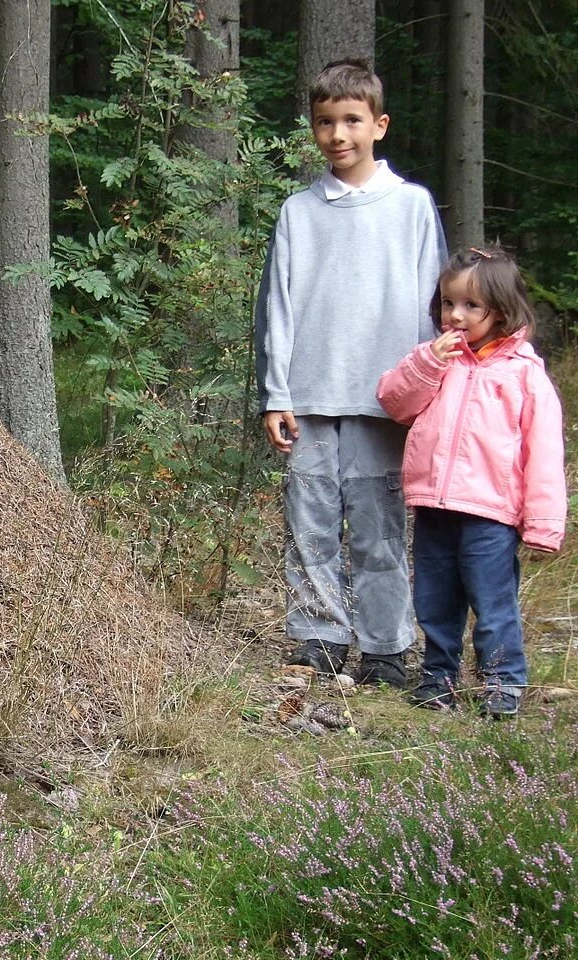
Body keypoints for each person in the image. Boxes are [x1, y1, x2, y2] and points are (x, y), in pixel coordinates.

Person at [255, 59, 446, 685]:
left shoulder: (412, 207)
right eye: (325, 123)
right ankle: (318, 638)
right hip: (309, 397)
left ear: (379, 125)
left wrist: (424, 395)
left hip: (384, 402)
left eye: (351, 121)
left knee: (379, 528)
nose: (338, 135)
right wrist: (274, 394)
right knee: (310, 525)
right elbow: (277, 307)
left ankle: (386, 649)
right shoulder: (298, 213)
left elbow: (431, 310)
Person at [377, 246, 567, 717]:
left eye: (470, 306)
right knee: (435, 600)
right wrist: (428, 364)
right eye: (447, 303)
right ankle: (438, 677)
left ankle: (503, 681)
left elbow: (542, 452)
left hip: (490, 512)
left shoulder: (524, 374)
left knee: (491, 600)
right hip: (434, 505)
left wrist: (542, 523)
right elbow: (395, 402)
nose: (455, 315)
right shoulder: (437, 360)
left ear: (500, 311)